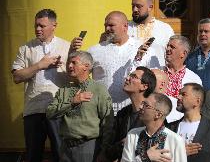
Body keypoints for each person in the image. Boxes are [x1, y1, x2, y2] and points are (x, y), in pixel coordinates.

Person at [11, 9, 70, 162]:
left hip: (59, 109)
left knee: (61, 154)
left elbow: (77, 77)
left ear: (54, 26)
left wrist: (68, 64)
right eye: (36, 25)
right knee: (33, 155)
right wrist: (39, 65)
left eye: (42, 26)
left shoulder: (67, 47)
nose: (37, 29)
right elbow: (17, 77)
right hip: (33, 109)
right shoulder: (26, 48)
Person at [71, 11, 155, 114]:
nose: (107, 29)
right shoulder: (95, 50)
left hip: (132, 110)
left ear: (125, 26)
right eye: (105, 25)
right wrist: (72, 51)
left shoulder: (142, 49)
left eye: (111, 25)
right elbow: (76, 74)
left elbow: (153, 81)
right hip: (101, 110)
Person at [46, 51, 114, 162]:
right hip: (65, 149)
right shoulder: (64, 90)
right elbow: (50, 113)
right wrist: (72, 102)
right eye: (68, 63)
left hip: (88, 148)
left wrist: (104, 150)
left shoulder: (98, 89)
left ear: (86, 66)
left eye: (74, 63)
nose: (69, 66)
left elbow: (108, 122)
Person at [104, 66, 156, 162]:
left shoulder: (153, 116)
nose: (127, 78)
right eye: (129, 76)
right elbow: (110, 150)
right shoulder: (122, 114)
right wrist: (121, 144)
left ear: (144, 86)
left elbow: (156, 150)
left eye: (134, 76)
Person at [166, 83, 210, 162]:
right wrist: (179, 153)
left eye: (183, 94)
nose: (178, 97)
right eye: (179, 94)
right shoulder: (170, 128)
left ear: (197, 101)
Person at [121, 93, 187, 162]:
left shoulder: (175, 140)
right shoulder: (133, 134)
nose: (140, 107)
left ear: (158, 114)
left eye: (146, 105)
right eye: (142, 103)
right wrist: (145, 157)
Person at [128, 0, 174, 66]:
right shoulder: (126, 28)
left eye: (139, 6)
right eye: (133, 6)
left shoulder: (165, 29)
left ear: (150, 7)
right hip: (131, 76)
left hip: (158, 75)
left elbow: (173, 55)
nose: (134, 9)